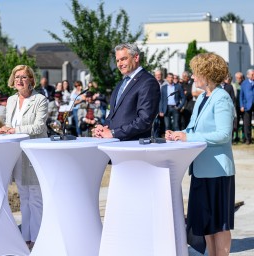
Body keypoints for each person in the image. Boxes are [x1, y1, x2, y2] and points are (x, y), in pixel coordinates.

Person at [165, 53, 235, 256]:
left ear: (207, 73)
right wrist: (179, 135)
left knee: (219, 224)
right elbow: (193, 130)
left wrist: (188, 138)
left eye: (196, 73)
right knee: (206, 224)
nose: (193, 77)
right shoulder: (203, 98)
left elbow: (223, 134)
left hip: (217, 171)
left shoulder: (221, 97)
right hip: (201, 170)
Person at [0, 65, 48, 251]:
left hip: (33, 153)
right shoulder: (10, 100)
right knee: (24, 197)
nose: (19, 80)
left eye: (24, 77)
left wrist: (14, 130)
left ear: (31, 80)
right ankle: (26, 237)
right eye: (17, 77)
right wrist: (3, 130)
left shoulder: (40, 99)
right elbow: (9, 124)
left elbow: (38, 127)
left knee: (35, 198)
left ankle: (39, 239)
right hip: (16, 154)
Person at [93, 42, 160, 140]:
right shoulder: (121, 83)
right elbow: (113, 115)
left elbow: (145, 120)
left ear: (136, 57)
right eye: (117, 61)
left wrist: (114, 133)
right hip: (115, 144)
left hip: (133, 145)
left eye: (124, 59)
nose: (120, 64)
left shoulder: (148, 82)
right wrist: (102, 128)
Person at [239, 69, 254, 145]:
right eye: (252, 74)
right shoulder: (244, 83)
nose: (253, 76)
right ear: (248, 75)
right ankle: (248, 139)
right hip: (247, 106)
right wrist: (241, 105)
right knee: (247, 123)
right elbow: (241, 95)